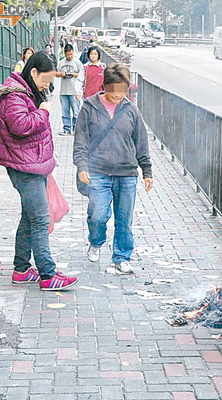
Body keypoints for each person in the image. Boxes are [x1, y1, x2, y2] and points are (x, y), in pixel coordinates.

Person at [0, 51, 78, 291]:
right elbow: (21, 126)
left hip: (31, 163)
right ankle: (48, 275)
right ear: (33, 72)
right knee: (40, 219)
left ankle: (21, 270)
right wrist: (44, 111)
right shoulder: (15, 96)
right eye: (46, 79)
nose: (48, 84)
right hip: (24, 166)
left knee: (29, 218)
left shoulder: (27, 91)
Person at [73, 63, 153, 274]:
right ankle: (96, 241)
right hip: (97, 171)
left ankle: (121, 257)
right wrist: (82, 166)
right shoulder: (89, 107)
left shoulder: (131, 110)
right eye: (114, 89)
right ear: (105, 86)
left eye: (122, 90)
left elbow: (141, 142)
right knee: (98, 214)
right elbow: (80, 140)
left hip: (126, 173)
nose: (118, 95)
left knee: (124, 220)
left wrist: (147, 171)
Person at [56, 44, 84, 135]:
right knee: (65, 112)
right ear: (64, 53)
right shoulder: (61, 63)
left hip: (74, 91)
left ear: (73, 52)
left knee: (76, 112)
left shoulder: (77, 62)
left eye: (71, 54)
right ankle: (67, 129)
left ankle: (76, 129)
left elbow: (82, 74)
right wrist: (61, 74)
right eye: (67, 55)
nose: (69, 56)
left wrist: (72, 74)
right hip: (64, 91)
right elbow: (56, 74)